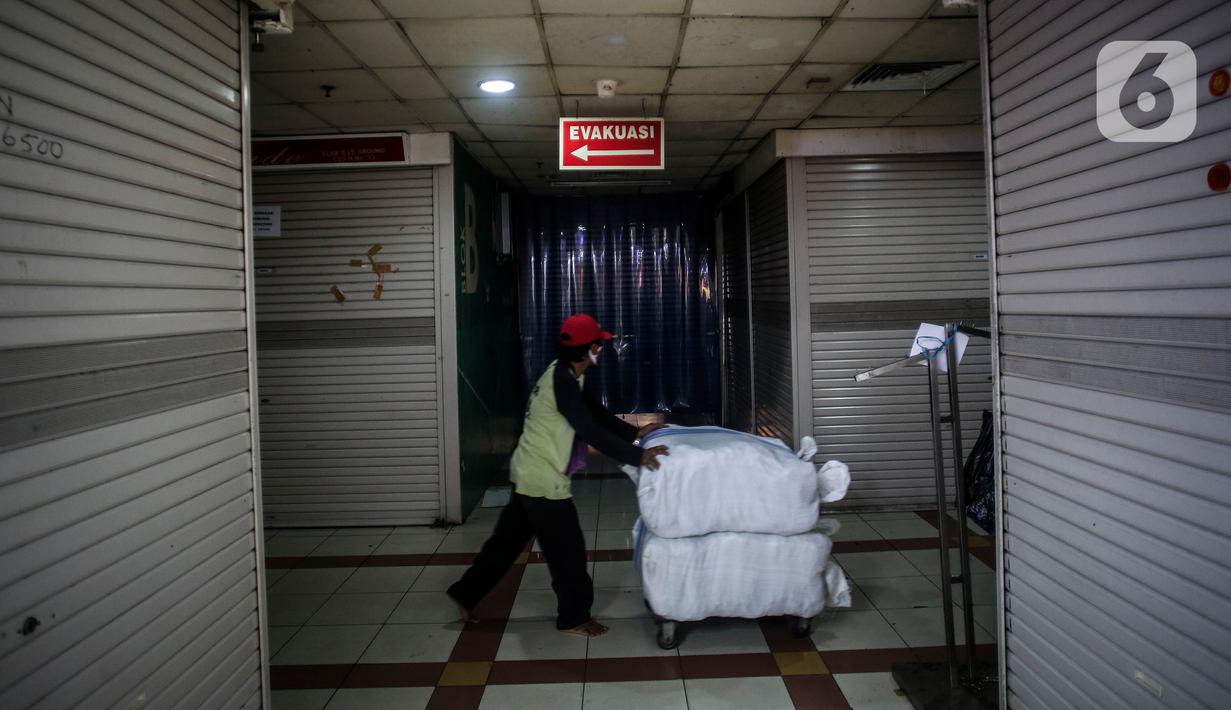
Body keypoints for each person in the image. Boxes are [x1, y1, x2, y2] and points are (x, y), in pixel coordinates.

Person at [447, 313, 670, 637]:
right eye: (598, 345)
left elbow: (597, 414)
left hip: (527, 471)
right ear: (587, 351)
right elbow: (588, 428)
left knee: (505, 545)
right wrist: (638, 457)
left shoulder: (566, 373)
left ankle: (465, 594)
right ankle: (573, 617)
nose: (601, 350)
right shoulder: (563, 382)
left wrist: (637, 434)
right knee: (568, 552)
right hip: (542, 480)